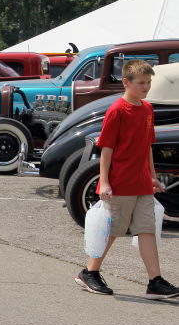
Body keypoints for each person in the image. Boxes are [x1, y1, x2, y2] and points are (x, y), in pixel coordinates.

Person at [75, 60, 179, 299]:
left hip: (142, 183)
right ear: (126, 82)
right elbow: (107, 149)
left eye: (149, 82)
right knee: (113, 230)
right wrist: (104, 182)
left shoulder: (147, 109)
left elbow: (147, 146)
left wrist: (152, 177)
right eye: (141, 83)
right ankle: (89, 272)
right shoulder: (117, 110)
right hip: (120, 182)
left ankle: (155, 282)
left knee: (147, 229)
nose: (146, 87)